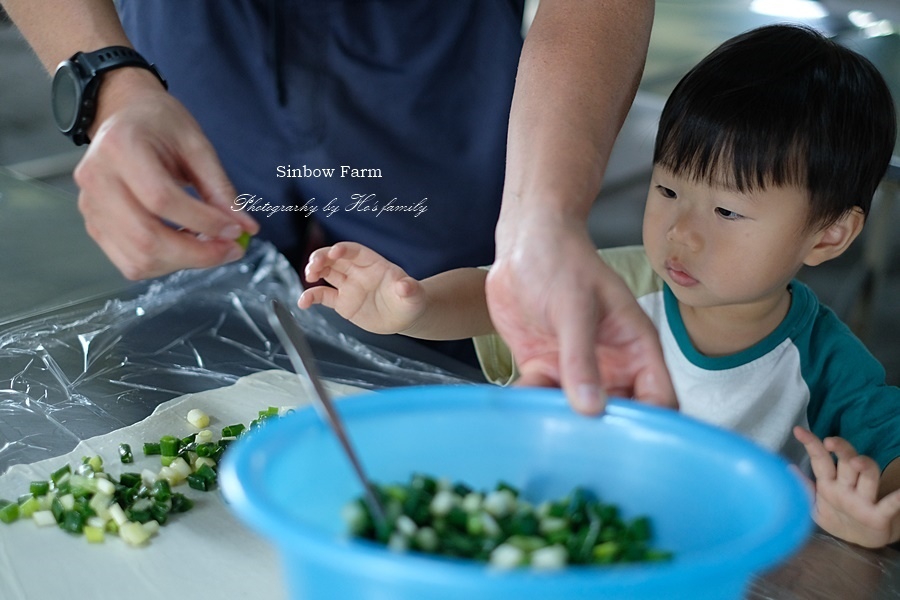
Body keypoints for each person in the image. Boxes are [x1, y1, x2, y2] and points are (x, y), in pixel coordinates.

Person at [297, 24, 900, 548]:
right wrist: (416, 306)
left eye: (728, 213)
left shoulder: (823, 363)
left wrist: (871, 515)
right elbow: (495, 294)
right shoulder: (625, 285)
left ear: (827, 236)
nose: (681, 234)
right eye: (667, 191)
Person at [4, 0, 675, 410]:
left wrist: (542, 219)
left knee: (438, 321)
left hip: (430, 47)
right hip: (187, 36)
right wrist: (107, 83)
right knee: (188, 309)